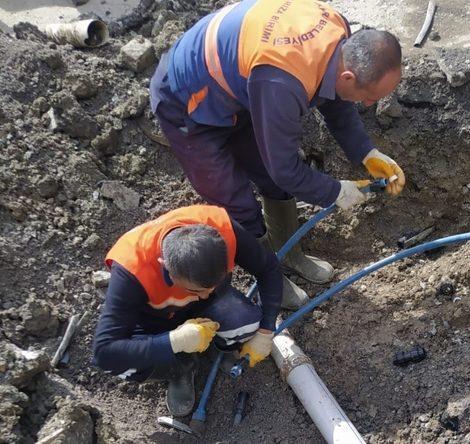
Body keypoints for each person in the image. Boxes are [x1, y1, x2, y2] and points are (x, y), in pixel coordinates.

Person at [150, 0, 406, 309]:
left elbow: (337, 101)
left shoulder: (338, 32)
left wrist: (366, 153)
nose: (367, 104)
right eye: (369, 97)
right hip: (188, 102)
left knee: (274, 181)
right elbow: (285, 168)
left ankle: (289, 253)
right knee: (238, 201)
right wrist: (336, 191)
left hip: (241, 89)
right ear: (349, 75)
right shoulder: (282, 80)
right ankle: (270, 277)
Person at [92, 205, 282, 417]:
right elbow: (104, 353)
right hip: (154, 323)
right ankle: (182, 367)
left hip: (201, 310)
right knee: (124, 365)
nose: (204, 294)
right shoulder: (132, 268)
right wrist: (174, 341)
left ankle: (215, 347)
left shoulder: (223, 230)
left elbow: (269, 268)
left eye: (212, 286)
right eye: (195, 289)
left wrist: (267, 329)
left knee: (245, 322)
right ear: (165, 266)